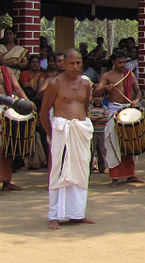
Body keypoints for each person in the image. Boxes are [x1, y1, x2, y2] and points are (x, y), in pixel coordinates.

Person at [40, 49, 95, 229]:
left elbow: (85, 107)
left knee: (81, 171)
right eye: (71, 63)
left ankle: (77, 213)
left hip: (80, 131)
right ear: (63, 64)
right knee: (59, 171)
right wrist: (51, 134)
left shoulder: (86, 84)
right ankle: (54, 215)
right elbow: (43, 112)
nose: (75, 66)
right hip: (61, 132)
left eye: (78, 63)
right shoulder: (54, 83)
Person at [95, 49, 143, 185]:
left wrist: (137, 101)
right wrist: (106, 88)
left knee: (130, 142)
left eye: (124, 62)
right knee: (113, 142)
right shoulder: (107, 75)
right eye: (119, 62)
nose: (122, 65)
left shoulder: (130, 74)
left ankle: (130, 174)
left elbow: (138, 92)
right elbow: (96, 91)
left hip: (128, 109)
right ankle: (115, 176)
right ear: (113, 62)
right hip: (114, 110)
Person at [0, 60, 30, 191]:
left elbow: (17, 88)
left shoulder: (6, 70)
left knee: (6, 147)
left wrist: (28, 104)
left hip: (6, 110)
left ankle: (6, 181)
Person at [89, 95, 110, 173]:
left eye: (99, 97)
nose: (97, 98)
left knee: (102, 150)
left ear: (102, 98)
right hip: (92, 132)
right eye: (96, 97)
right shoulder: (90, 107)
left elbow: (106, 119)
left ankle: (102, 168)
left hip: (101, 132)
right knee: (91, 150)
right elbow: (89, 118)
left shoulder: (105, 108)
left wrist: (95, 118)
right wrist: (100, 117)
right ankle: (89, 168)